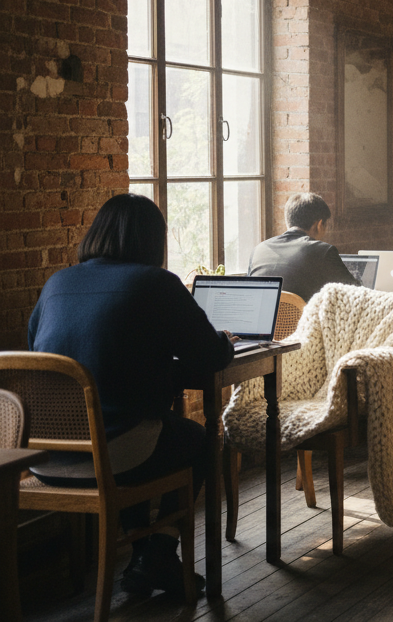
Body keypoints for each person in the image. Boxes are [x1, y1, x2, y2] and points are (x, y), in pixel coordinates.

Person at [27, 193, 235, 595]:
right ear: (151, 240)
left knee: (143, 428)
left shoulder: (57, 283)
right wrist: (224, 341)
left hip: (45, 457)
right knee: (197, 440)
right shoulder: (155, 283)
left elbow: (41, 354)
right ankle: (157, 553)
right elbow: (209, 354)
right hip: (112, 455)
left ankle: (145, 556)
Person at [247, 193, 359, 301]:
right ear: (319, 225)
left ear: (288, 221)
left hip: (265, 320)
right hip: (304, 320)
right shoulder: (323, 251)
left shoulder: (258, 250)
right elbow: (355, 292)